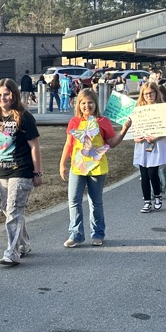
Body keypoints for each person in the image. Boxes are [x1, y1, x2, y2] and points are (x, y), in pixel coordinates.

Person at [0, 78, 43, 266]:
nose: (2, 97)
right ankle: (23, 244)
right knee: (9, 210)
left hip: (21, 170)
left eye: (6, 93)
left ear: (14, 94)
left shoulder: (24, 116)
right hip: (2, 171)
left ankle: (12, 252)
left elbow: (35, 146)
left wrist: (37, 173)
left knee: (14, 210)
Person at [59, 87, 131, 246]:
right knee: (74, 201)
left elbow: (112, 143)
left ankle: (98, 233)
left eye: (90, 102)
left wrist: (124, 130)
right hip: (77, 167)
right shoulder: (74, 122)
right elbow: (69, 144)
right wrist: (62, 164)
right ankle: (76, 234)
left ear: (95, 103)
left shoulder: (103, 122)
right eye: (83, 103)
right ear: (78, 105)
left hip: (96, 167)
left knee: (95, 202)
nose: (87, 106)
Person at [132, 82, 166, 213]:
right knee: (144, 174)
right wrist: (135, 138)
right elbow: (133, 128)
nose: (149, 96)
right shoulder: (138, 109)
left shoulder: (162, 108)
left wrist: (156, 137)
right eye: (146, 93)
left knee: (153, 172)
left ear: (156, 93)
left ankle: (157, 196)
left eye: (151, 93)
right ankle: (147, 201)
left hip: (156, 144)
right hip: (143, 146)